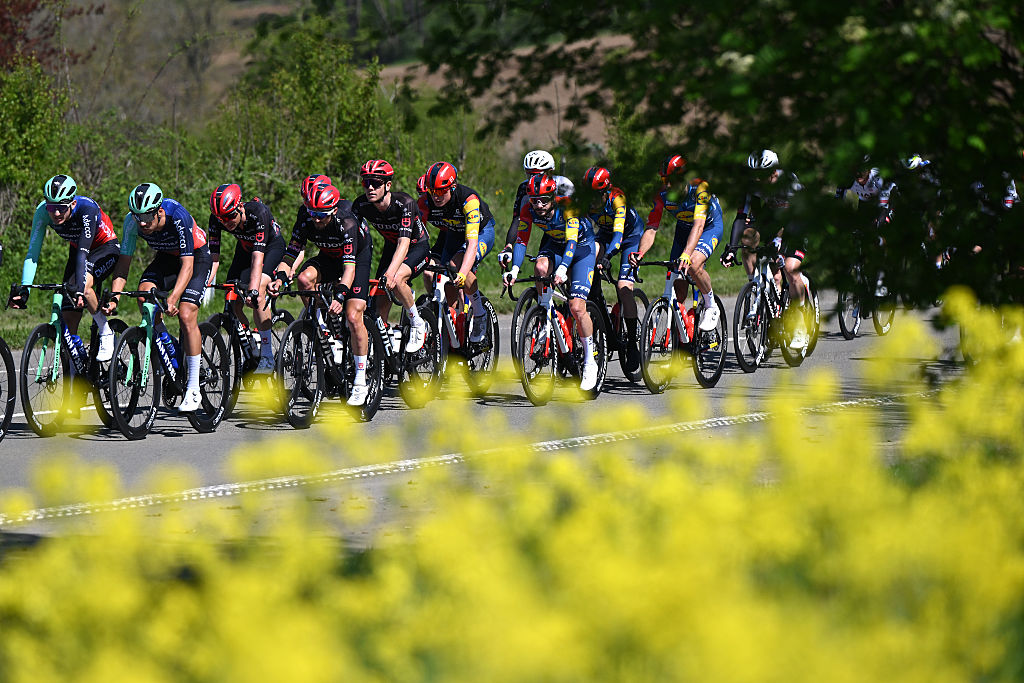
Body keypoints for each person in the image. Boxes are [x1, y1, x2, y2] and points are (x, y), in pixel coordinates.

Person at [105, 183, 212, 412]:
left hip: (196, 257)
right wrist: (115, 296)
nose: (142, 223)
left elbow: (188, 265)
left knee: (185, 313)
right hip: (166, 258)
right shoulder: (132, 223)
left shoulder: (177, 215)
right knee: (144, 297)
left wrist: (173, 297)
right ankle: (169, 346)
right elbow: (124, 264)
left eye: (146, 216)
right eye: (137, 216)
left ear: (159, 211)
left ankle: (194, 387)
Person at [277, 182, 374, 406]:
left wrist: (340, 295)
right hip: (329, 256)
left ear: (332, 210)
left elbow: (349, 269)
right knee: (303, 279)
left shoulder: (347, 222)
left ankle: (360, 379)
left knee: (353, 315)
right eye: (313, 214)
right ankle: (324, 328)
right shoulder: (306, 216)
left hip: (356, 259)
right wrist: (280, 277)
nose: (316, 220)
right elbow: (291, 253)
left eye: (321, 215)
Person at [502, 173, 599, 391]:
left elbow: (572, 241)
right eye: (534, 200)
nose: (538, 205)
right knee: (540, 268)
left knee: (576, 306)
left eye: (544, 200)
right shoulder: (529, 209)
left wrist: (564, 268)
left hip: (581, 249)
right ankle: (546, 316)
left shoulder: (568, 207)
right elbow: (521, 240)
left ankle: (590, 360)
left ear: (553, 197)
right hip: (555, 245)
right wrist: (514, 270)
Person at [9, 174, 120, 361]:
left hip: (104, 248)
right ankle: (77, 371)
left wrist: (79, 289)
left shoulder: (87, 209)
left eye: (61, 207)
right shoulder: (43, 212)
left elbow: (84, 253)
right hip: (78, 251)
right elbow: (32, 254)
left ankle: (105, 331)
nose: (56, 213)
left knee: (82, 287)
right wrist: (25, 288)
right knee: (68, 319)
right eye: (52, 207)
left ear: (73, 204)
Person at [721, 149, 810, 348]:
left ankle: (800, 322)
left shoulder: (789, 182)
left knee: (789, 267)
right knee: (748, 241)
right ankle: (757, 288)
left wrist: (780, 241)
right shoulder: (752, 184)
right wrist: (731, 249)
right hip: (772, 220)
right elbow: (741, 218)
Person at [629, 154, 724, 333]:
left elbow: (699, 225)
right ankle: (683, 340)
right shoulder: (662, 193)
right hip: (684, 229)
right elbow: (651, 228)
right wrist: (640, 253)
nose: (669, 185)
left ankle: (711, 305)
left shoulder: (701, 188)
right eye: (665, 180)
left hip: (709, 226)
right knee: (678, 288)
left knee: (693, 264)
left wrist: (687, 254)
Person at [351, 159, 432, 352]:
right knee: (379, 304)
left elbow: (404, 243)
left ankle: (417, 322)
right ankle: (384, 348)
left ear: (388, 185)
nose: (370, 187)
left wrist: (391, 273)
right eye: (366, 182)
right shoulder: (361, 205)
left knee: (396, 278)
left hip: (416, 246)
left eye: (376, 183)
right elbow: (353, 241)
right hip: (391, 247)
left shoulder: (405, 204)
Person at [207, 183, 286, 374]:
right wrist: (204, 284)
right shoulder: (217, 219)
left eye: (230, 217)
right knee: (232, 297)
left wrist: (253, 290)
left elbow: (258, 258)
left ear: (240, 206)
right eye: (221, 219)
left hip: (270, 249)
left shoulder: (258, 213)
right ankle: (250, 342)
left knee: (258, 291)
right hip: (245, 249)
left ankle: (267, 355)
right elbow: (213, 259)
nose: (226, 222)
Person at [417, 161, 496, 343]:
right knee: (448, 286)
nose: (435, 196)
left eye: (440, 191)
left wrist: (461, 273)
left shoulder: (469, 200)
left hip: (481, 233)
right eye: (432, 190)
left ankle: (479, 313)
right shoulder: (425, 202)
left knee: (457, 267)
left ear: (452, 187)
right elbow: (415, 236)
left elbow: (472, 243)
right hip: (454, 233)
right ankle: (454, 337)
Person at [583, 166, 644, 370]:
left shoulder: (617, 199)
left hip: (629, 237)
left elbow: (618, 236)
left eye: (595, 196)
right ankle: (596, 300)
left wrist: (608, 256)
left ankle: (633, 343)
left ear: (605, 192)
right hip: (605, 234)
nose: (591, 200)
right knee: (591, 254)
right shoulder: (587, 204)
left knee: (623, 287)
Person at [497, 150, 575, 268]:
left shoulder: (564, 185)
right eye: (529, 175)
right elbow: (518, 218)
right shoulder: (524, 187)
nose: (532, 179)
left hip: (572, 231)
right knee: (541, 269)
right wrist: (508, 246)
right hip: (551, 233)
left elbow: (581, 215)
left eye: (536, 174)